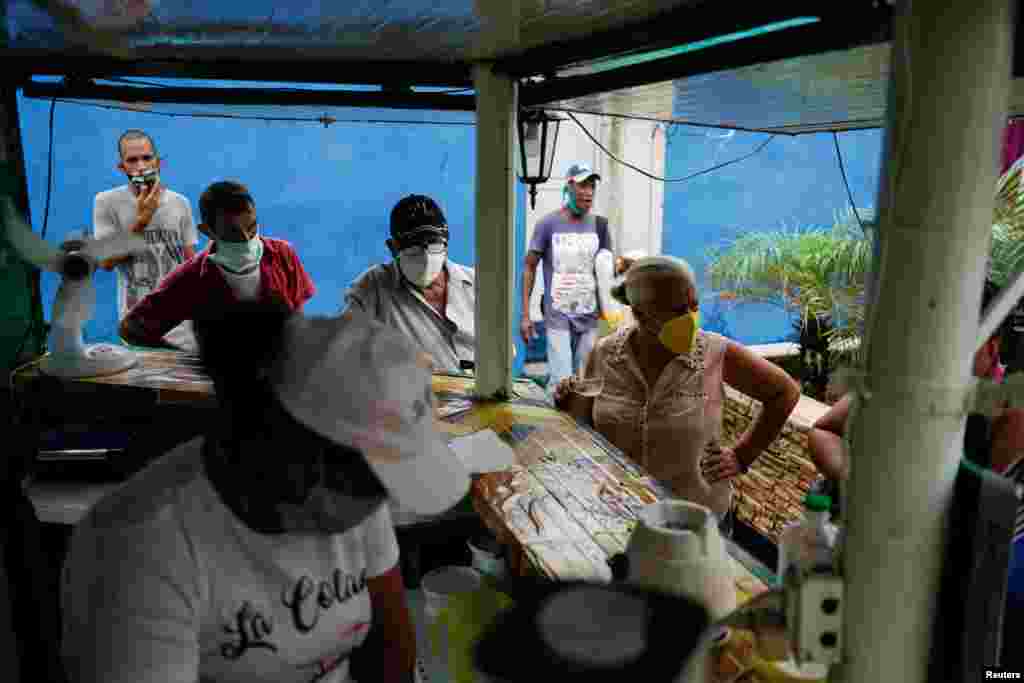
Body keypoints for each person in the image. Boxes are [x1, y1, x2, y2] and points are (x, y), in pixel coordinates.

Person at [61, 300, 471, 683]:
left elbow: (390, 644)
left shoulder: (354, 493)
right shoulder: (135, 550)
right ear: (290, 448)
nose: (384, 503)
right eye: (375, 485)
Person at [553, 255, 801, 533]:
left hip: (697, 525)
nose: (689, 318)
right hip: (618, 518)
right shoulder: (605, 353)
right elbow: (585, 425)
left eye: (693, 306)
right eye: (677, 310)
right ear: (640, 314)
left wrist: (743, 455)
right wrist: (569, 401)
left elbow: (784, 392)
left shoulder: (716, 353)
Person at [807, 279, 1024, 481]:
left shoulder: (1007, 413)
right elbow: (825, 431)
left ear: (992, 349)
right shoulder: (904, 378)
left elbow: (984, 502)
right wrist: (858, 482)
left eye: (951, 343)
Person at [119, 180, 315, 348]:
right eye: (232, 232)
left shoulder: (283, 254)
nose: (246, 239)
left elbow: (297, 317)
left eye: (252, 227)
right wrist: (180, 357)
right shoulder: (191, 277)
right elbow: (132, 328)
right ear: (207, 231)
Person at [343, 194, 476, 374]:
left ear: (446, 243)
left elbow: (504, 349)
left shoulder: (477, 284)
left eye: (434, 245)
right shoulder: (373, 287)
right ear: (392, 247)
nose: (426, 256)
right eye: (413, 248)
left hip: (478, 396)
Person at [95, 129, 199, 350]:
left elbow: (192, 264)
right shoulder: (106, 202)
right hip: (136, 322)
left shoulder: (180, 203)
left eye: (146, 158)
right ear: (122, 167)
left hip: (181, 325)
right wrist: (142, 220)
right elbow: (105, 262)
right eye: (132, 160)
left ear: (158, 162)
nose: (141, 166)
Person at [521, 162, 612, 399]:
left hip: (590, 317)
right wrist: (525, 315)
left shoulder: (600, 226)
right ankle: (555, 433)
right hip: (558, 316)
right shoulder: (548, 224)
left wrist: (610, 316)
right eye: (582, 185)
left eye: (591, 185)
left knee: (587, 384)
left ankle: (583, 433)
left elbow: (605, 273)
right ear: (569, 186)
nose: (588, 191)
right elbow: (529, 266)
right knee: (561, 384)